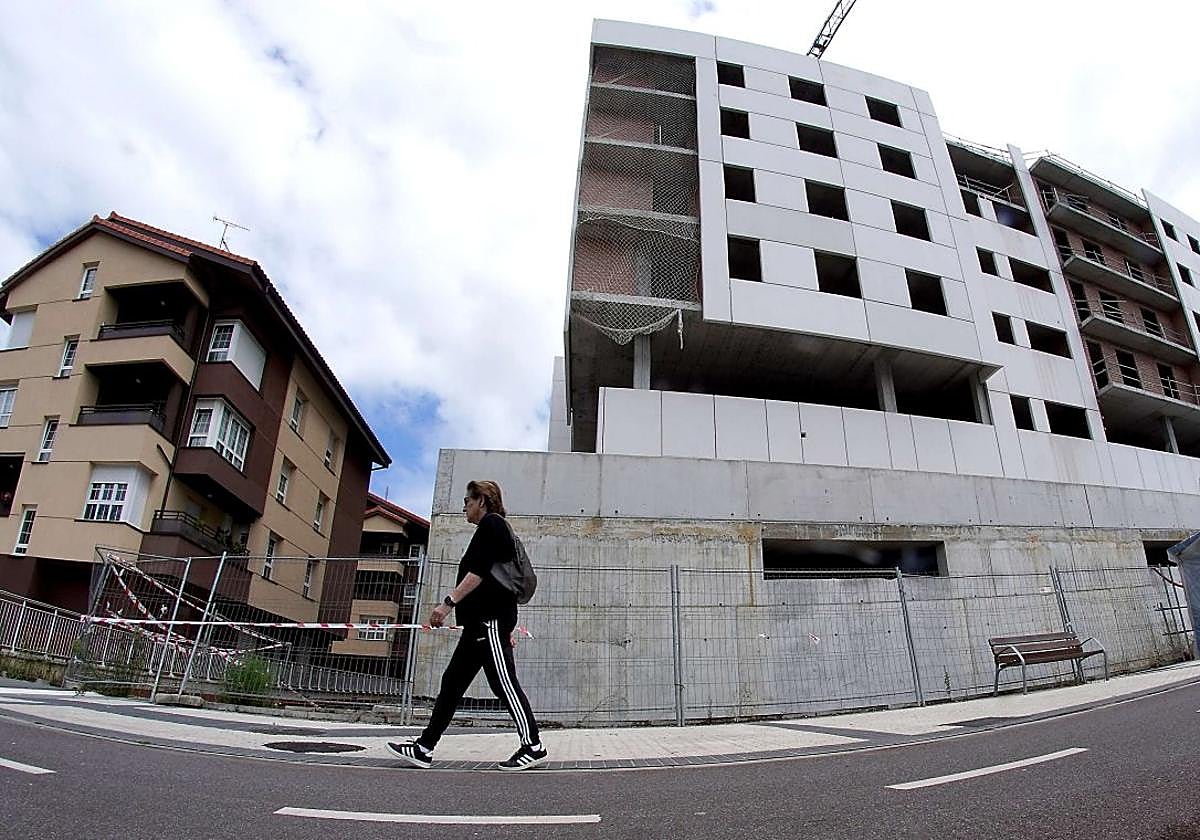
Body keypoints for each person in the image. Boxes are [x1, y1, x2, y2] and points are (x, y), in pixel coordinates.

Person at [388, 480, 546, 771]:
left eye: (467, 500)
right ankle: (424, 748)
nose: (464, 506)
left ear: (482, 501)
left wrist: (447, 603)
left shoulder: (493, 525)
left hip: (489, 621)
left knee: (504, 685)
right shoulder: (488, 529)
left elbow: (481, 572)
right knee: (452, 684)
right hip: (480, 624)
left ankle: (533, 745)